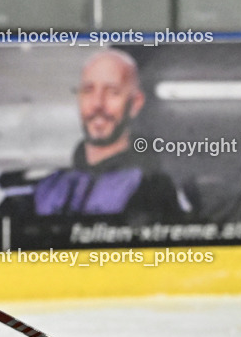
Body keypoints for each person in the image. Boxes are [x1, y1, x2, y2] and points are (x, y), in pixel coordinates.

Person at [32, 49, 191, 220]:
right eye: (88, 90)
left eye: (112, 92)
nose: (98, 104)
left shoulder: (153, 189)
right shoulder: (49, 187)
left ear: (135, 103)